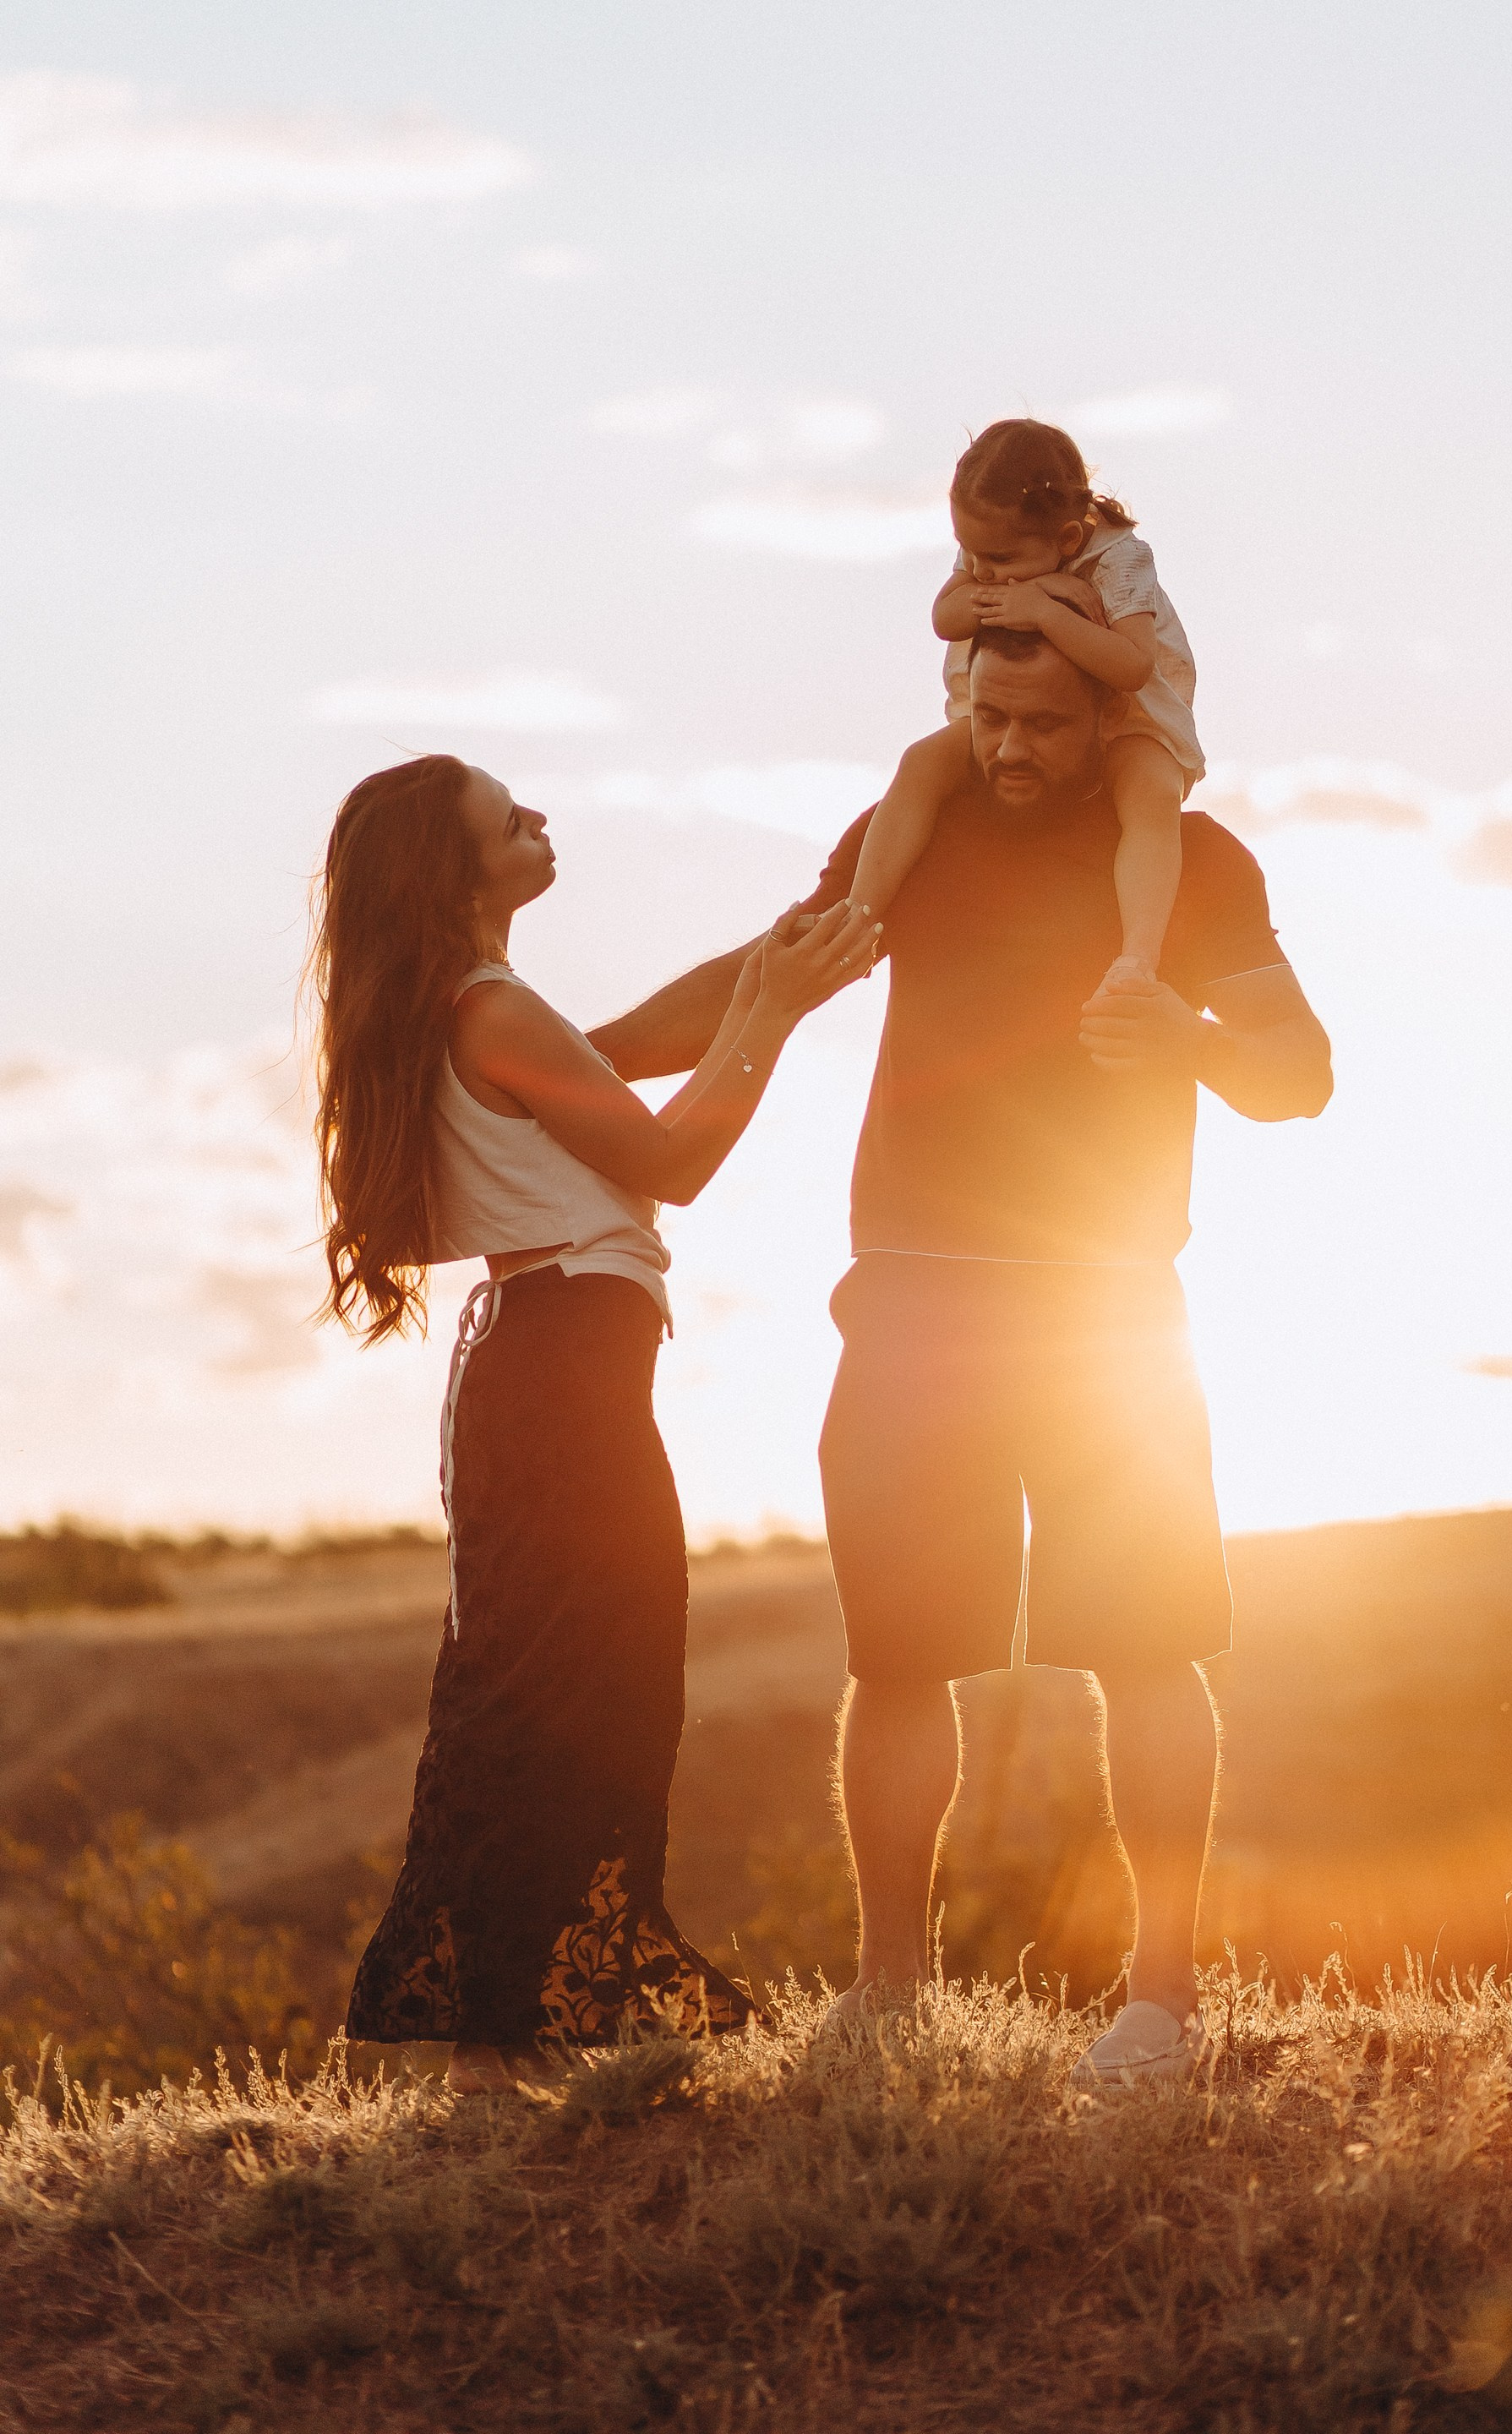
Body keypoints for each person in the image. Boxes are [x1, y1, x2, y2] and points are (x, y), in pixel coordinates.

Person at [597, 627, 1331, 2086]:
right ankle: (890, 1991)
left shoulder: (1198, 863)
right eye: (987, 715)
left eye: (1044, 725)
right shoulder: (907, 830)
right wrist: (572, 1054)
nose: (1007, 748)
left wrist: (1181, 1031)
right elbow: (769, 974)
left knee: (1149, 1649)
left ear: (1113, 720)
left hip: (1109, 1319)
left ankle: (1161, 2000)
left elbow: (1299, 1074)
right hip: (914, 1310)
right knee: (899, 1660)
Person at [310, 752, 877, 2093]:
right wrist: (781, 1017)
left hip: (541, 1361)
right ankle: (499, 2041)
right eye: (510, 819)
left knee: (562, 1682)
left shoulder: (481, 1009)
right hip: (560, 1365)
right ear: (457, 871)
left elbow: (653, 1038)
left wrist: (804, 934)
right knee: (568, 1690)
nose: (540, 820)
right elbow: (674, 1161)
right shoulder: (493, 1011)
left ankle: (513, 2023)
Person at [849, 418, 1203, 1000]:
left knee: (1150, 800)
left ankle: (1137, 959)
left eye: (999, 558)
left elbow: (1134, 666)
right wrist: (1018, 590)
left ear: (1066, 541)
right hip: (1013, 713)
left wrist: (1045, 614)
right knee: (922, 762)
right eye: (972, 554)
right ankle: (856, 922)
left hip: (1130, 717)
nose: (983, 571)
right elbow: (945, 618)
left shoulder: (1121, 560)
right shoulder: (992, 550)